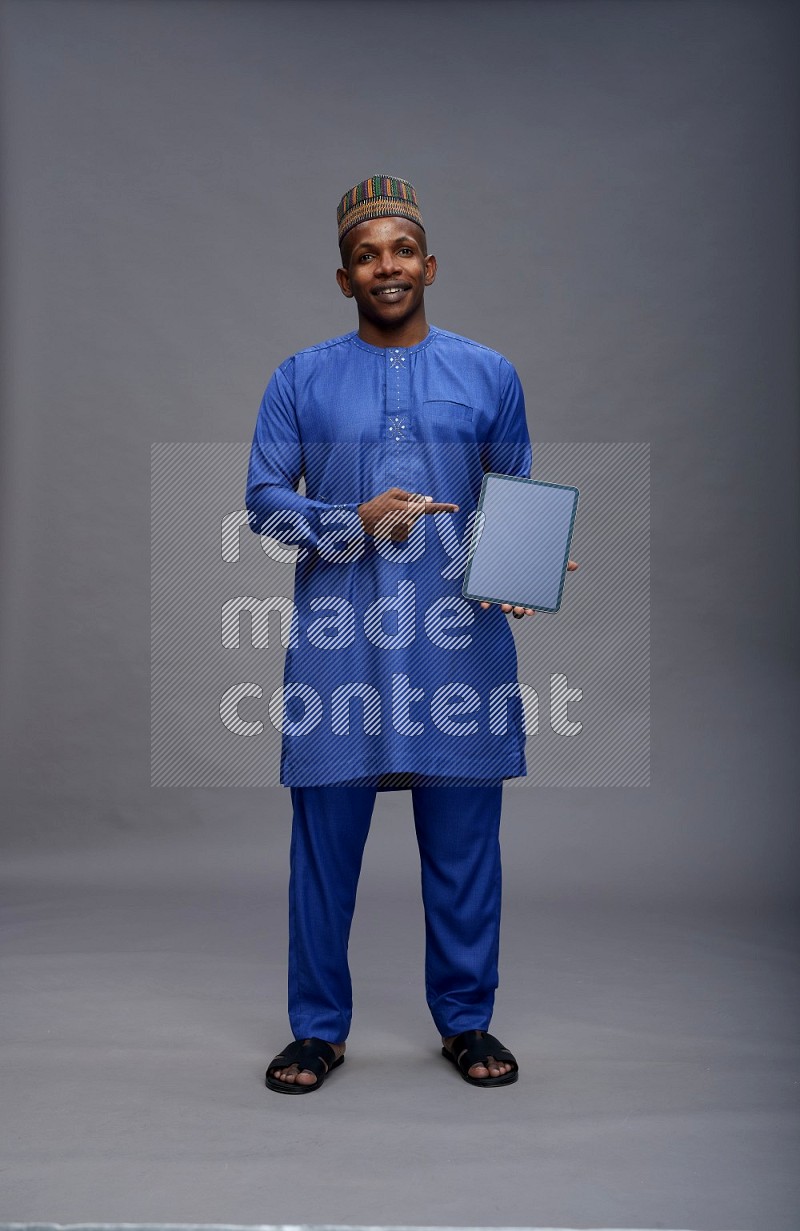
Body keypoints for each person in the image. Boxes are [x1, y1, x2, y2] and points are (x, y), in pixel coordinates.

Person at [245, 174, 577, 1093]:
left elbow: (513, 493)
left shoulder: (489, 373)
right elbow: (264, 503)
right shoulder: (300, 378)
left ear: (428, 265)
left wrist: (522, 570)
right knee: (322, 847)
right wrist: (353, 521)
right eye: (366, 254)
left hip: (454, 645)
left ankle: (467, 1020)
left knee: (467, 847)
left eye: (400, 251)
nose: (385, 266)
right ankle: (317, 1029)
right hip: (339, 645)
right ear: (344, 277)